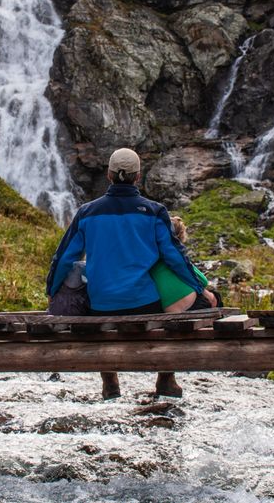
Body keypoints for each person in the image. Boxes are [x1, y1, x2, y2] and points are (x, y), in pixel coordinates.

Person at [45, 148, 207, 399]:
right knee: (197, 302)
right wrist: (196, 288)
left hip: (101, 305)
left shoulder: (87, 212)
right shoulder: (154, 212)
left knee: (98, 316)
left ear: (109, 175)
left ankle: (110, 383)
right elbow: (175, 257)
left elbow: (64, 257)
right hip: (145, 304)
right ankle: (166, 378)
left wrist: (51, 291)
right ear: (138, 176)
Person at [152, 216, 219, 313]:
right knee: (216, 297)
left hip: (162, 308)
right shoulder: (177, 257)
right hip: (187, 306)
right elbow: (202, 280)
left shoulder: (151, 257)